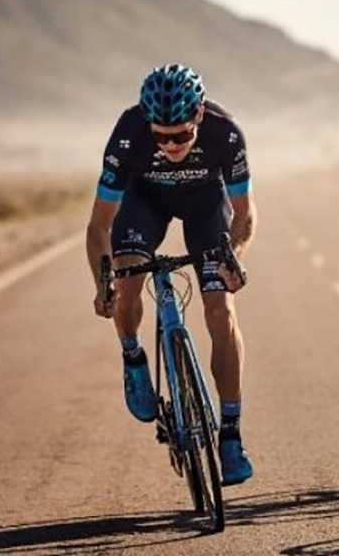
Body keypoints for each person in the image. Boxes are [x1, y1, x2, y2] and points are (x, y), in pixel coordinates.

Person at [86, 63, 256, 484]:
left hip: (205, 203)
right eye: (161, 136)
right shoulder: (128, 133)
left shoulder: (225, 132)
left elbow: (246, 214)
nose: (171, 144)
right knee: (127, 278)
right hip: (145, 202)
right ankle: (132, 355)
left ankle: (231, 433)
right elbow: (99, 226)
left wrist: (233, 255)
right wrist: (101, 282)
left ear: (198, 115)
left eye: (180, 134)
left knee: (221, 309)